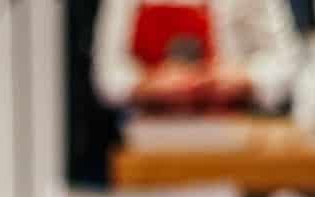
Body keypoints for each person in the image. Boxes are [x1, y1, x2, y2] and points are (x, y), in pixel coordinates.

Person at [92, 0, 300, 114]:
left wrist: (245, 79)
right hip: (147, 149)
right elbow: (108, 75)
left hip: (230, 143)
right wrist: (148, 84)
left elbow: (286, 63)